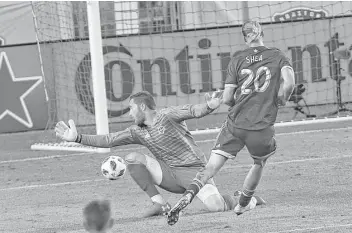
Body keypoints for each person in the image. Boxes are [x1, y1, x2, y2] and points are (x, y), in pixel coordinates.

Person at [167, 20, 296, 225]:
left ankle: (188, 196)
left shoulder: (237, 59)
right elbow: (289, 82)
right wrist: (282, 98)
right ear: (261, 32)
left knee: (209, 168)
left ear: (245, 37)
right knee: (258, 163)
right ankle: (243, 203)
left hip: (235, 123)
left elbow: (227, 98)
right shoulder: (277, 55)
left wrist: (239, 103)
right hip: (261, 126)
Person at [55, 91, 240, 218]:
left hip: (195, 172)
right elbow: (109, 140)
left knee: (216, 207)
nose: (129, 113)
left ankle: (244, 198)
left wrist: (210, 105)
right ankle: (160, 204)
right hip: (169, 174)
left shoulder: (167, 116)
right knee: (132, 159)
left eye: (131, 108)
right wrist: (77, 137)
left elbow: (194, 110)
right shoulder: (137, 131)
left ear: (142, 107)